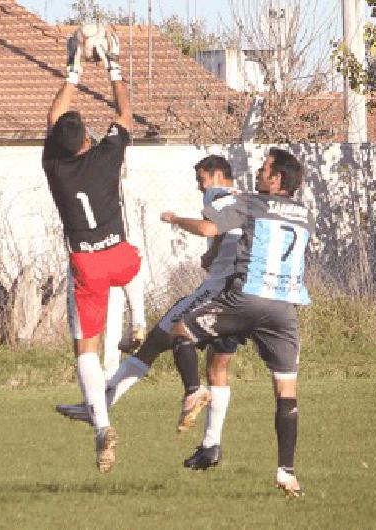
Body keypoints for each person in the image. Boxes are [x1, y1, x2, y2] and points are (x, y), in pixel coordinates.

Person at [57, 155, 244, 468]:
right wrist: (213, 256)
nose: (200, 187)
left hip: (216, 291)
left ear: (215, 175)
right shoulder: (247, 201)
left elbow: (211, 229)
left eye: (201, 179)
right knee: (219, 367)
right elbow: (225, 239)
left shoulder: (218, 196)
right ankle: (211, 445)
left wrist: (175, 220)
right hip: (243, 295)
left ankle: (102, 404)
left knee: (158, 341)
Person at [160, 148, 314, 498]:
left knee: (180, 331)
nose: (259, 173)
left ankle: (192, 391)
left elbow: (208, 228)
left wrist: (175, 219)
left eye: (264, 169)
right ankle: (286, 472)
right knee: (286, 392)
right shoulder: (306, 214)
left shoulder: (253, 202)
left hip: (245, 298)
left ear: (275, 180)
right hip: (284, 309)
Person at [42, 26, 141, 473]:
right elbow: (125, 114)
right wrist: (113, 64)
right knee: (136, 260)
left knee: (85, 347)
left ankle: (101, 426)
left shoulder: (56, 167)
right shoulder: (105, 156)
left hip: (85, 261)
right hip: (118, 255)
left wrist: (74, 69)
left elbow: (53, 117)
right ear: (86, 139)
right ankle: (139, 321)